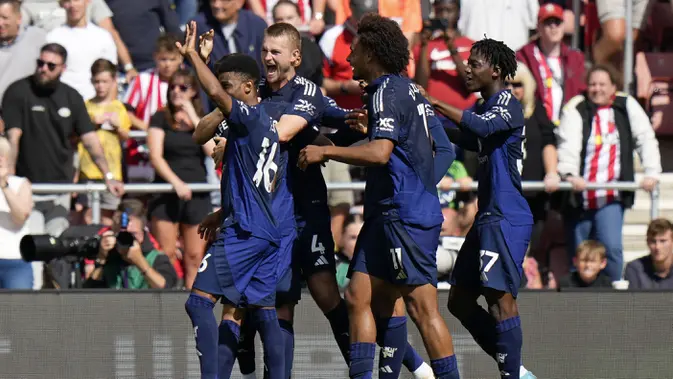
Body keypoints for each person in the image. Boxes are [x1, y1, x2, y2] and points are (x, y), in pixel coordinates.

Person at [298, 14, 460, 379]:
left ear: (370, 53)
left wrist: (326, 152)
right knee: (360, 296)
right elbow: (441, 148)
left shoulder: (386, 91)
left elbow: (380, 153)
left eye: (353, 50)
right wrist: (419, 185)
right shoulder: (410, 91)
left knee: (421, 307)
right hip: (386, 214)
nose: (349, 58)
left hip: (403, 216)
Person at [177, 22, 291, 379]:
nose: (219, 94)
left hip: (243, 231)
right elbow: (201, 133)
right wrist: (222, 210)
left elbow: (217, 94)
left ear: (246, 88)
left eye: (227, 89)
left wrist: (194, 56)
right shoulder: (257, 123)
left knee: (198, 304)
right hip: (264, 230)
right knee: (260, 309)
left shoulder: (250, 119)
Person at [423, 37, 537, 378]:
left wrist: (435, 101)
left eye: (475, 64)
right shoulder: (484, 109)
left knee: (500, 301)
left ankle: (513, 374)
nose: (466, 69)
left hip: (507, 216)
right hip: (487, 216)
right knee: (459, 300)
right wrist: (423, 120)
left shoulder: (507, 102)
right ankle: (516, 368)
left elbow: (482, 129)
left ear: (496, 71)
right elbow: (469, 137)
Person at [555, 65, 661, 282]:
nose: (597, 89)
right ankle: (577, 301)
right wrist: (569, 174)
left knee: (611, 248)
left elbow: (645, 138)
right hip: (580, 195)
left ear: (614, 86)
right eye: (593, 84)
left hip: (610, 195)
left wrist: (652, 172)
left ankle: (612, 294)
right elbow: (568, 146)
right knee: (580, 254)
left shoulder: (626, 106)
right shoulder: (576, 107)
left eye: (603, 84)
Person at [147, 69, 213, 289]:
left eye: (183, 87)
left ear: (193, 91)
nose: (176, 91)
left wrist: (194, 119)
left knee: (194, 256)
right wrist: (175, 183)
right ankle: (168, 308)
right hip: (167, 192)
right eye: (173, 87)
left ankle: (193, 306)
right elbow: (155, 156)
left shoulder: (202, 118)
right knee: (167, 255)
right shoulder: (160, 116)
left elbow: (213, 152)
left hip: (197, 192)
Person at [76, 59, 131, 226]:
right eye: (97, 81)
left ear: (113, 81)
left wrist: (117, 127)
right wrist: (93, 123)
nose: (100, 86)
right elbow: (76, 135)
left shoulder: (118, 107)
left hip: (113, 171)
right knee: (87, 216)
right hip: (88, 170)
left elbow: (125, 136)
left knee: (108, 218)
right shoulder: (85, 106)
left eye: (105, 81)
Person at [83, 198, 178, 289]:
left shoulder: (157, 258)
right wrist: (101, 258)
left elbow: (166, 290)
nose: (127, 238)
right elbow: (89, 295)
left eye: (133, 234)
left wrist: (140, 261)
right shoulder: (109, 256)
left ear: (143, 232)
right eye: (122, 233)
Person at [0, 136, 33, 289]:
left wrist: (4, 185)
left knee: (19, 311)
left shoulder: (20, 184)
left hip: (15, 262)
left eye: (3, 155)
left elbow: (21, 217)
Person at [625, 218, 673, 290]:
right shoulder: (635, 268)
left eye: (663, 241)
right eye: (653, 241)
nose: (657, 247)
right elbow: (633, 300)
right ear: (647, 242)